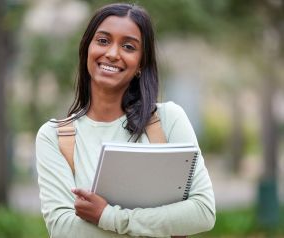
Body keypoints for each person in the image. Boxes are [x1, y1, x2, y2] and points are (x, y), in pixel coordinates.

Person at [35, 3, 215, 238]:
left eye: (128, 46)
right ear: (87, 49)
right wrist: (163, 224)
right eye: (102, 41)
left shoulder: (168, 119)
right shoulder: (55, 137)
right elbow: (64, 229)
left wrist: (107, 216)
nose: (112, 53)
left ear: (141, 63)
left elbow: (202, 212)